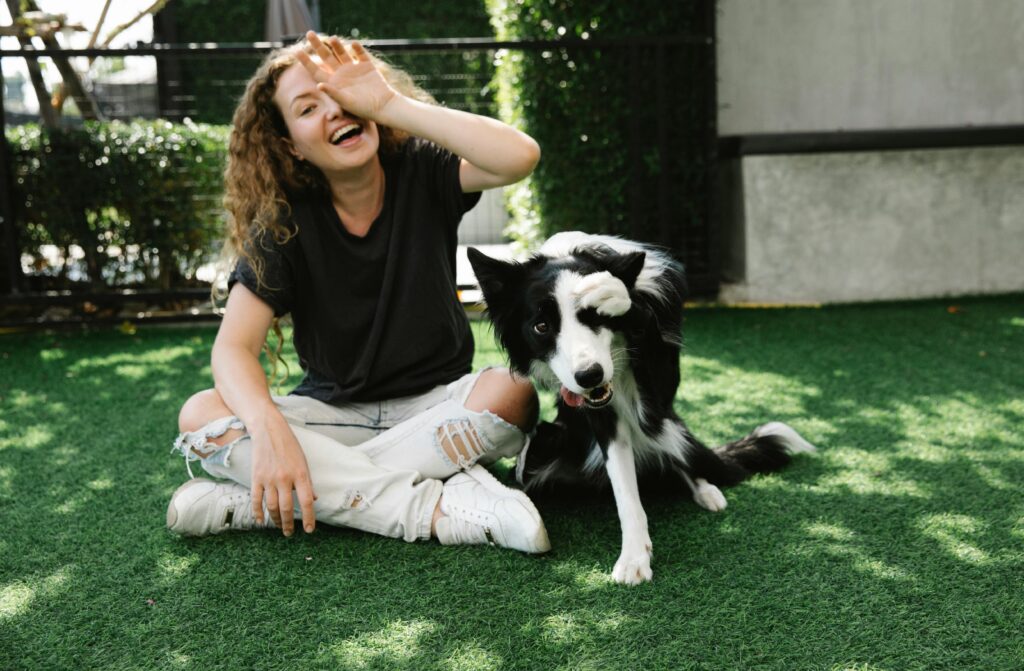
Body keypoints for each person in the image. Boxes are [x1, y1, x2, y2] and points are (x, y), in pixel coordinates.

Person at [166, 32, 550, 554]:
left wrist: (390, 104)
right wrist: (270, 429)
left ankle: (266, 501)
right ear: (290, 145)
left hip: (436, 406)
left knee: (513, 393)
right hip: (333, 416)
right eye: (307, 108)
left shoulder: (423, 167)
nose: (334, 111)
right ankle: (432, 510)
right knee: (201, 415)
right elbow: (232, 348)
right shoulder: (282, 224)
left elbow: (519, 157)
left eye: (340, 95)